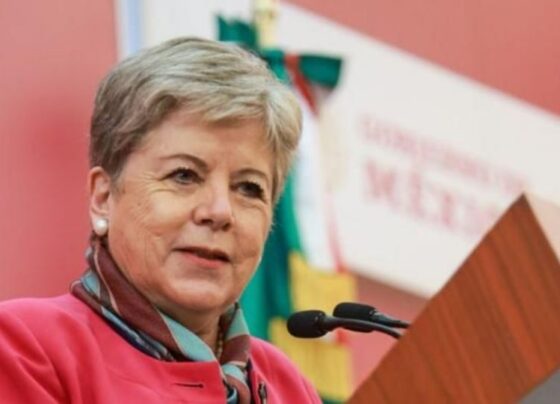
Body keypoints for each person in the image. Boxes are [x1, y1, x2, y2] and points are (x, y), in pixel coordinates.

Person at [0, 37, 321, 403]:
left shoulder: (290, 388)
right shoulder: (24, 348)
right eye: (184, 176)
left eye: (248, 188)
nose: (220, 211)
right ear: (103, 197)